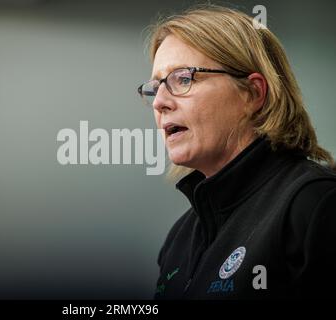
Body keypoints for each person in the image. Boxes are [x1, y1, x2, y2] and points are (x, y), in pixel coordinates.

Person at [137, 5, 336, 299]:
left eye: (183, 79)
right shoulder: (180, 236)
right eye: (155, 87)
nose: (159, 102)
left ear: (253, 93)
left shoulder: (315, 204)